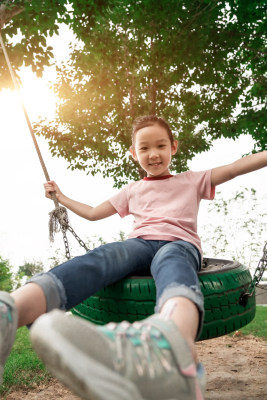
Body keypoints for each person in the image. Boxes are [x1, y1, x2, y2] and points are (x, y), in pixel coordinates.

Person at [0, 115, 266, 400]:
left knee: (171, 262)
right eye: (144, 148)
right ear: (133, 152)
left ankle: (173, 349)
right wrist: (61, 198)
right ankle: (11, 311)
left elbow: (236, 168)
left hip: (180, 243)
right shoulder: (132, 190)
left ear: (173, 147)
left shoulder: (192, 180)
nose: (153, 154)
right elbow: (92, 213)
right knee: (108, 254)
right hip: (140, 244)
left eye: (161, 145)